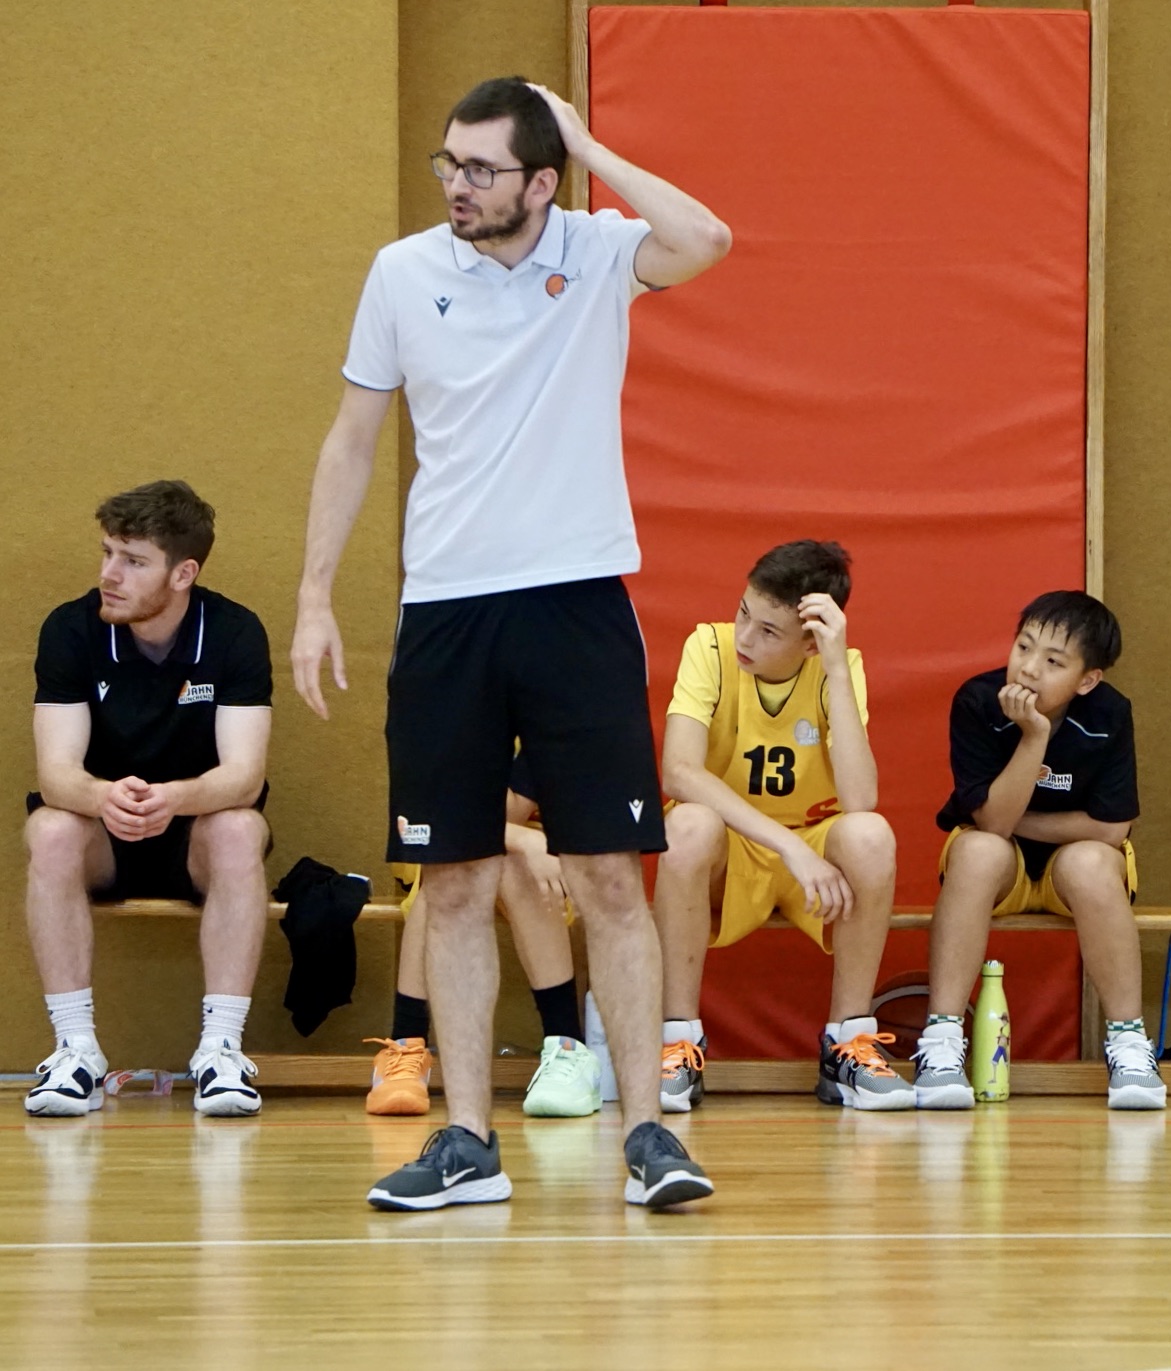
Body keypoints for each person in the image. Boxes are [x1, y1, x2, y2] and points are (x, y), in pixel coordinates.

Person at [291, 75, 731, 1211]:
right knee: (451, 882)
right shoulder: (401, 273)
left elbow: (707, 237)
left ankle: (647, 1136)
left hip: (576, 602)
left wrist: (588, 141)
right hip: (446, 610)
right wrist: (314, 595)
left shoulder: (598, 251)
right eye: (449, 163)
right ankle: (466, 1143)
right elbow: (351, 441)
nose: (457, 185)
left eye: (482, 169)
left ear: (541, 182)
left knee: (609, 876)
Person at [25, 480, 272, 1118]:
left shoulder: (234, 632)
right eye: (108, 553)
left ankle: (221, 1051)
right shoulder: (71, 628)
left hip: (195, 836)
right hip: (102, 834)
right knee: (49, 828)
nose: (110, 574)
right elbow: (56, 775)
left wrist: (174, 798)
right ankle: (75, 1051)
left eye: (133, 561)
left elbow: (244, 776)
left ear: (183, 573)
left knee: (240, 827)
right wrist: (104, 795)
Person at [651, 541, 907, 1111]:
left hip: (812, 858)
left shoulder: (838, 666)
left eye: (768, 631)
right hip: (736, 853)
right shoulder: (709, 647)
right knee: (687, 826)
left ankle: (847, 1044)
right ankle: (678, 1044)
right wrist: (791, 847)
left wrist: (835, 666)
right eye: (744, 613)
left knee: (870, 835)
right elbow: (678, 772)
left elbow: (860, 798)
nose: (745, 637)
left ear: (811, 642)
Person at [913, 591, 1162, 1111]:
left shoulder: (1110, 712)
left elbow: (1111, 828)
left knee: (1093, 862)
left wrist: (1008, 817)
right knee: (978, 851)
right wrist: (1033, 737)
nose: (1028, 668)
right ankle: (942, 1042)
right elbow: (992, 827)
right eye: (1023, 647)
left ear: (1087, 679)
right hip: (999, 864)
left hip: (1071, 866)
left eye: (1053, 662)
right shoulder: (978, 701)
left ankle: (1129, 1045)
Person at [368, 751, 601, 1119]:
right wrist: (522, 839)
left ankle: (567, 1046)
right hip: (451, 847)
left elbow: (506, 811)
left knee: (510, 861)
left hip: (545, 860)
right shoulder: (441, 720)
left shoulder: (547, 720)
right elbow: (444, 818)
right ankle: (405, 1047)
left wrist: (523, 841)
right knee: (451, 863)